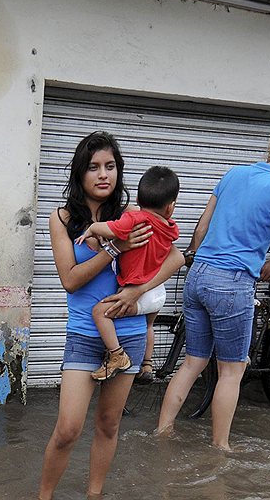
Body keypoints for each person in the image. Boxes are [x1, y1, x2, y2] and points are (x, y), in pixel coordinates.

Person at [157, 119, 270, 451]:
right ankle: (220, 449)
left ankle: (163, 433)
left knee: (193, 361)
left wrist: (194, 260)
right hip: (232, 282)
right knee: (231, 371)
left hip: (199, 275)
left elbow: (203, 224)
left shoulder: (233, 174)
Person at [38, 131, 183, 500]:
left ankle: (94, 494)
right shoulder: (63, 218)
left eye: (111, 166)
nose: (103, 174)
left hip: (130, 333)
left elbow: (176, 257)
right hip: (85, 332)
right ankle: (43, 496)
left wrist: (136, 292)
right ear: (79, 173)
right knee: (68, 427)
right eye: (93, 167)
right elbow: (70, 280)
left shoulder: (133, 214)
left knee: (108, 424)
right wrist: (113, 248)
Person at [75, 166, 181, 382]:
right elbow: (176, 255)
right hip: (156, 291)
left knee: (99, 313)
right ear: (170, 208)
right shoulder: (170, 227)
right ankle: (147, 364)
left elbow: (112, 229)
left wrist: (93, 228)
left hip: (139, 291)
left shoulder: (136, 218)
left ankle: (117, 355)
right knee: (149, 324)